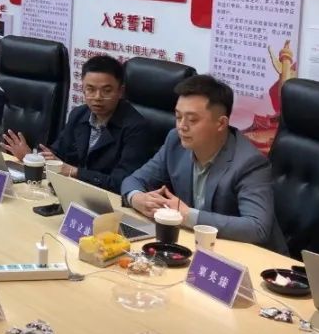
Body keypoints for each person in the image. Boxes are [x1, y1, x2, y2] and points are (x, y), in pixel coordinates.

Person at [120, 74, 286, 252]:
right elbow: (133, 180)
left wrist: (188, 216)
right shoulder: (175, 142)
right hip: (197, 246)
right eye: (178, 117)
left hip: (251, 257)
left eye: (192, 120)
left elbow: (257, 228)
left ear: (221, 123)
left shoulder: (249, 163)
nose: (182, 126)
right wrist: (137, 199)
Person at [0, 55, 151, 193]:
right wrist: (32, 158)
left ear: (120, 91)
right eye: (90, 89)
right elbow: (56, 154)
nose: (97, 97)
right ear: (83, 89)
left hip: (107, 200)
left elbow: (122, 182)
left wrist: (74, 172)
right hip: (71, 192)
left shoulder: (136, 128)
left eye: (106, 91)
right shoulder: (79, 114)